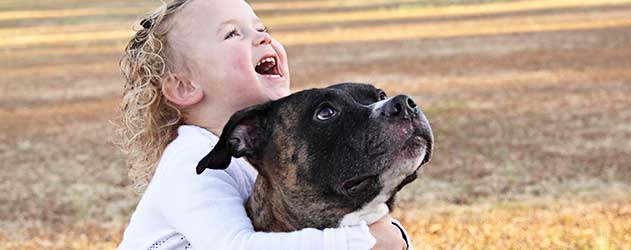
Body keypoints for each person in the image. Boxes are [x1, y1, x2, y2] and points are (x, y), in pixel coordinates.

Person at [115, 0, 410, 249]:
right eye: (232, 34)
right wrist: (360, 241)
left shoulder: (265, 149)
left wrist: (386, 229)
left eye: (261, 29)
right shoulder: (188, 160)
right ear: (184, 87)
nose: (263, 38)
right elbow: (236, 246)